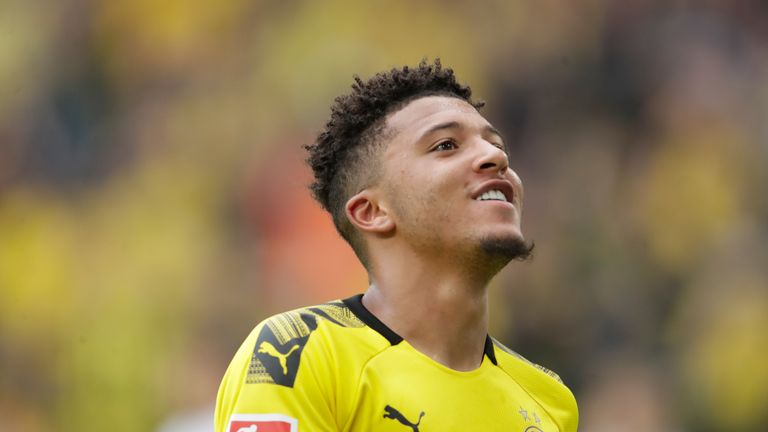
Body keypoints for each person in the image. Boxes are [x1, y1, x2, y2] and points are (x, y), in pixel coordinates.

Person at [215, 59, 578, 432]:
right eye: (446, 145)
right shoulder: (296, 355)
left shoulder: (549, 400)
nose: (496, 157)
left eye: (496, 145)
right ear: (372, 212)